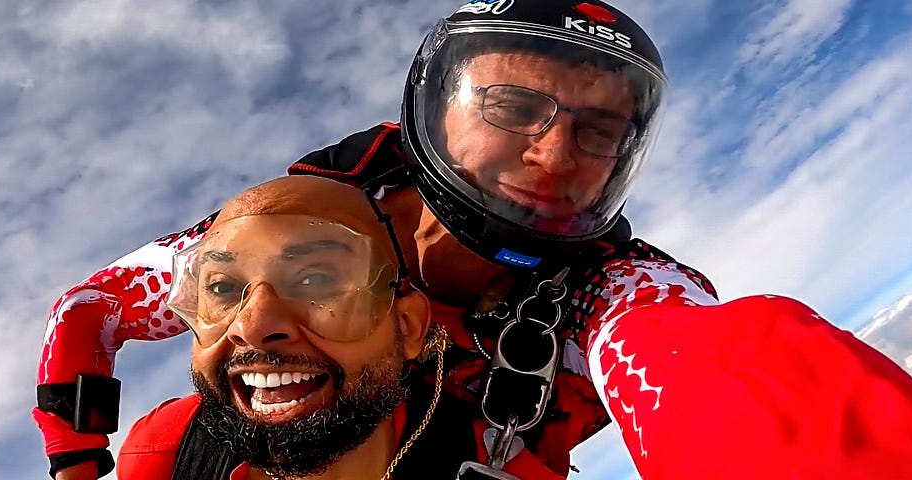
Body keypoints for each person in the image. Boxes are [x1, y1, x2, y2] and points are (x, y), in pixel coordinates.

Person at [35, 0, 912, 478]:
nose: (556, 151)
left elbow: (747, 389)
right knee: (181, 430)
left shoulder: (619, 292)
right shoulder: (286, 232)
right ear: (433, 108)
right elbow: (89, 314)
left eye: (599, 130)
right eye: (515, 108)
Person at [116, 175, 573, 479]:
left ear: (408, 326)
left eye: (316, 280)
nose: (252, 326)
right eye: (222, 287)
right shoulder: (166, 450)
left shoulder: (496, 467)